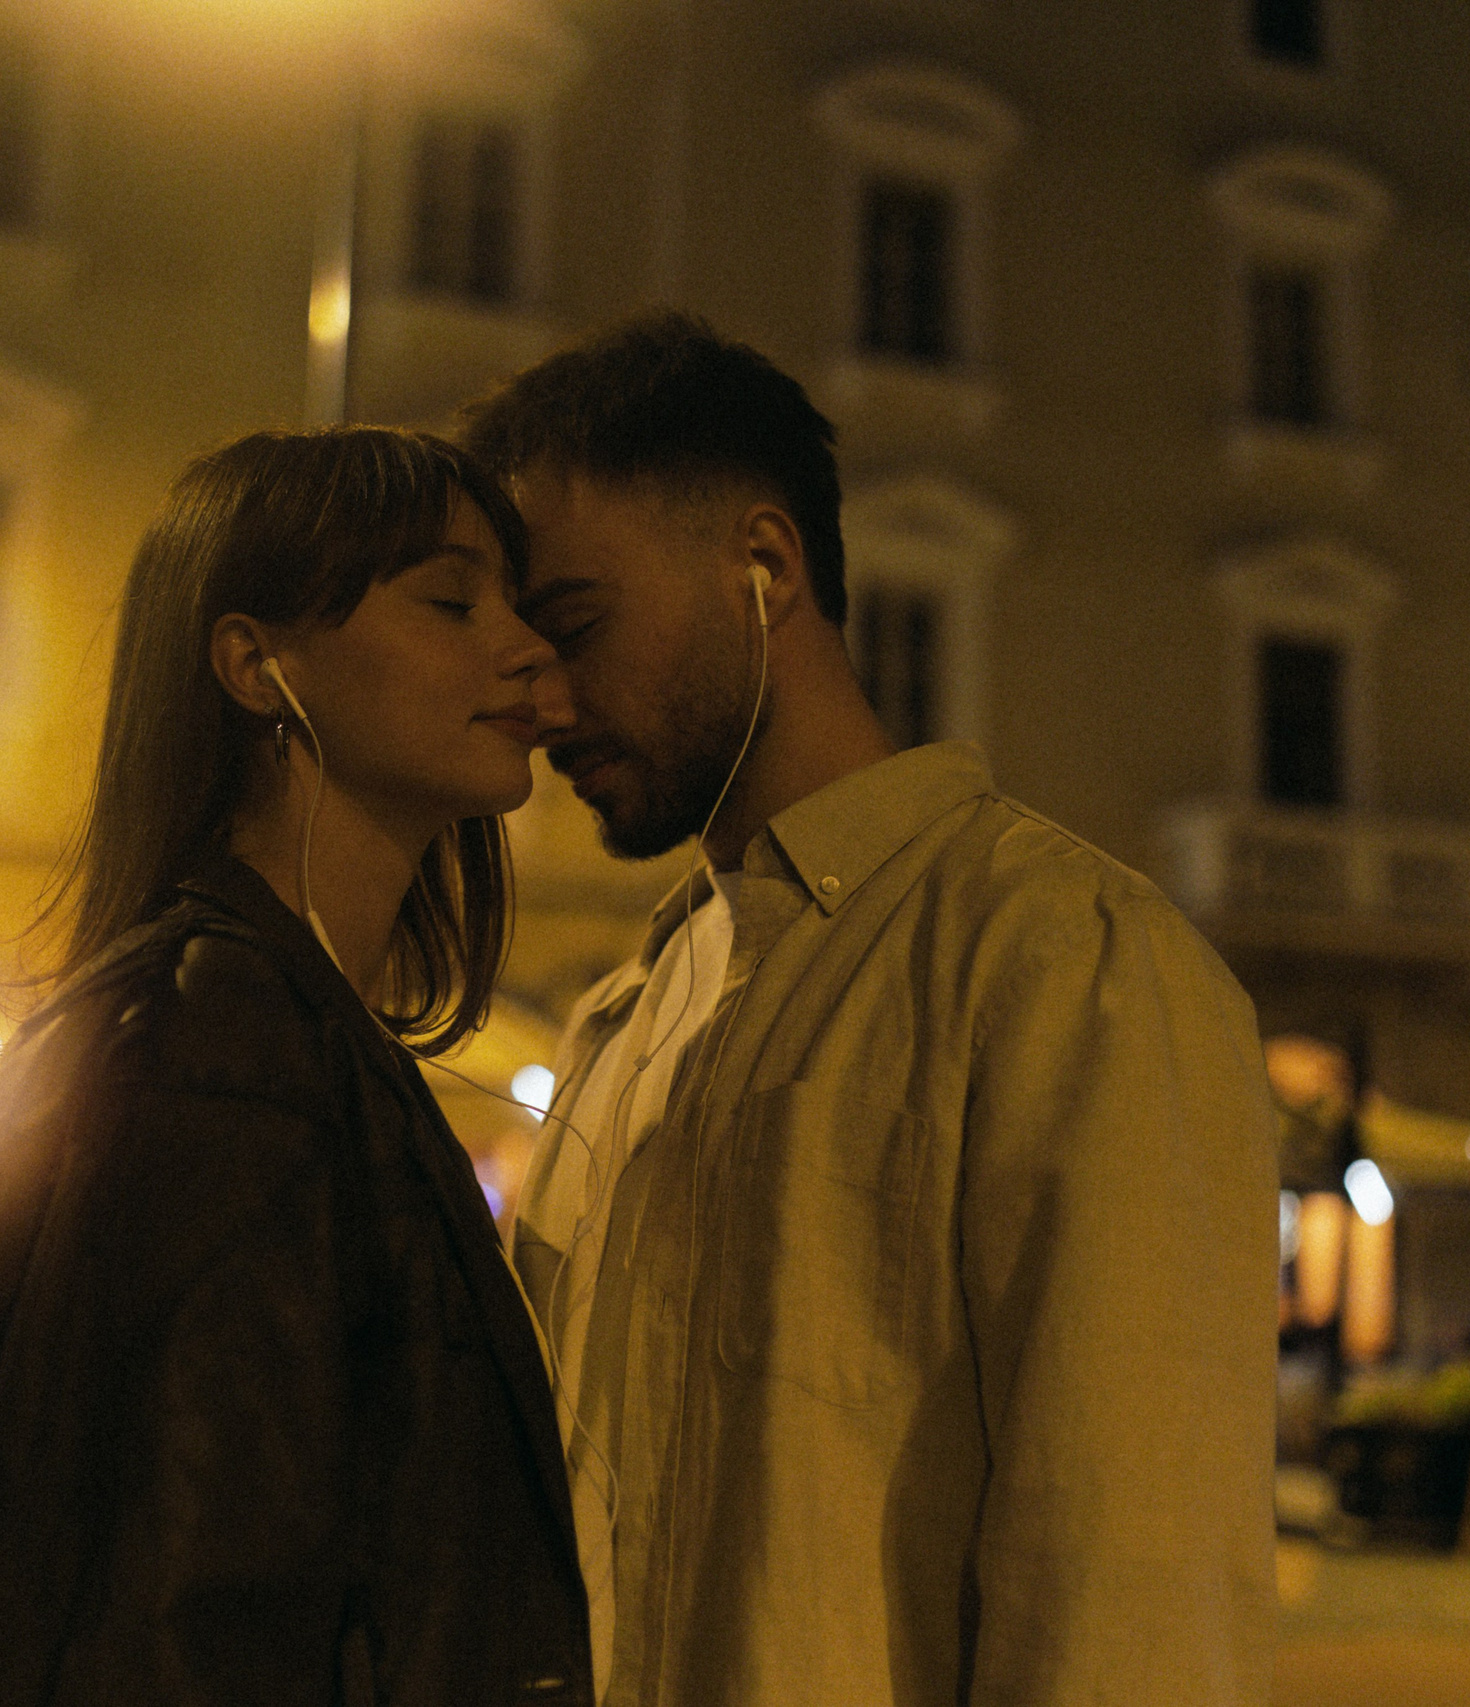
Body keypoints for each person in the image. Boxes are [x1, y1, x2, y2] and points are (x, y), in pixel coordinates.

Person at [460, 313, 1278, 1705]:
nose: (545, 697)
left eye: (578, 624)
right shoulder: (619, 1020)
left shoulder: (1060, 963)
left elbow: (1129, 1599)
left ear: (763, 567)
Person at [0, 427, 593, 1706]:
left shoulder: (284, 1025)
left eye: (523, 605)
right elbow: (165, 1620)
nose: (528, 650)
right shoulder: (218, 1046)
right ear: (255, 666)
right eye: (451, 602)